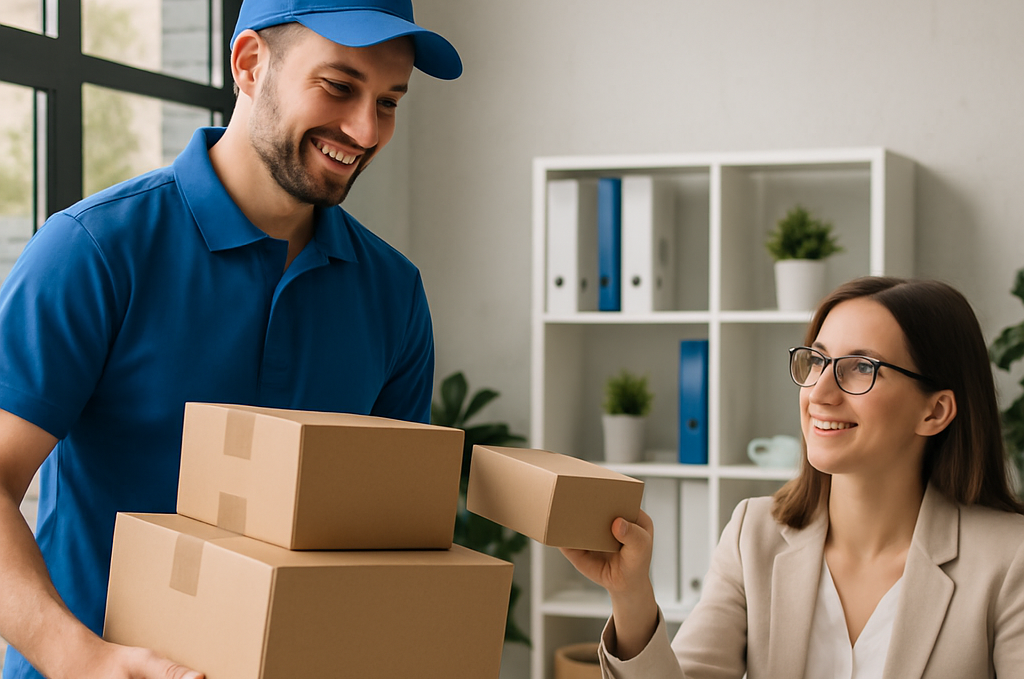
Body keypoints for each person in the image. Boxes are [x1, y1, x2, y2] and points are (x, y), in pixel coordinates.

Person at [0, 1, 461, 678]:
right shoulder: (96, 249)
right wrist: (82, 658)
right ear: (249, 63)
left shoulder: (392, 294)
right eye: (338, 87)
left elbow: (388, 538)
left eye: (389, 101)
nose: (365, 129)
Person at [563, 276, 1024, 678]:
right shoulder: (754, 535)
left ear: (935, 410)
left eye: (862, 368)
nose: (819, 392)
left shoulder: (1008, 560)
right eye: (817, 360)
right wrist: (631, 595)